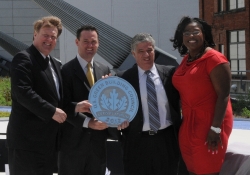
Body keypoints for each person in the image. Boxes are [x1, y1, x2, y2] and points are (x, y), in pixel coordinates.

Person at [58, 25, 128, 175]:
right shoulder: (65, 70)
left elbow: (111, 104)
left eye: (93, 41)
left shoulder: (105, 70)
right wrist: (88, 123)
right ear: (77, 42)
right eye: (86, 41)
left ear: (98, 43)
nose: (90, 45)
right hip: (73, 146)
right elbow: (63, 106)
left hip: (98, 147)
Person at [116, 33, 188, 175]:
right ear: (133, 54)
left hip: (167, 141)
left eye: (149, 50)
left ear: (155, 51)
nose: (146, 55)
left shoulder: (171, 73)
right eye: (141, 51)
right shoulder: (122, 79)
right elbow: (112, 106)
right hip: (137, 143)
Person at [170, 16, 233, 175]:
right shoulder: (187, 59)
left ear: (204, 34)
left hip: (210, 122)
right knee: (192, 169)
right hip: (189, 123)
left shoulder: (214, 58)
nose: (191, 36)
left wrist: (216, 128)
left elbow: (224, 94)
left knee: (207, 169)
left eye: (195, 32)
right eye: (186, 33)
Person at [6, 16, 67, 175]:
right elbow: (22, 92)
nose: (49, 40)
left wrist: (77, 106)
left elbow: (58, 98)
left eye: (53, 37)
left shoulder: (55, 64)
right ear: (35, 34)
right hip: (27, 144)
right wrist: (52, 111)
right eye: (45, 35)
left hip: (47, 145)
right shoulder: (23, 58)